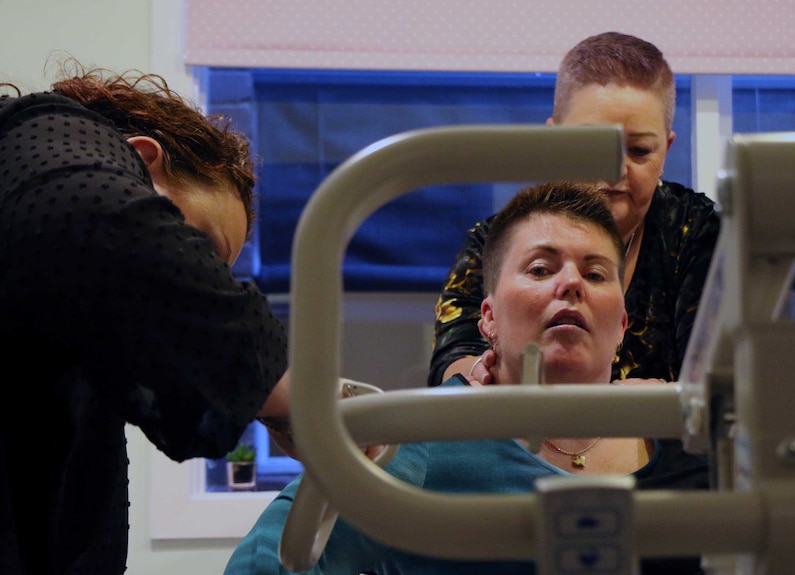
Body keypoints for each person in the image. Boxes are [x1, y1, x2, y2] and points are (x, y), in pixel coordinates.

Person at [223, 181, 709, 575]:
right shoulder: (425, 437)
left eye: (596, 274)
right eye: (541, 268)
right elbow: (263, 563)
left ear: (622, 324)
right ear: (488, 320)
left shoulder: (683, 438)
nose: (571, 283)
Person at [0, 60, 293, 574]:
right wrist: (301, 396)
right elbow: (84, 214)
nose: (199, 281)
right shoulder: (37, 134)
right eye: (199, 247)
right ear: (140, 157)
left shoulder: (77, 341)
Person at [430, 31, 721, 388]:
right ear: (555, 140)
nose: (615, 170)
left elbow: (722, 381)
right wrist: (479, 374)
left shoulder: (700, 233)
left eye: (640, 150)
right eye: (591, 147)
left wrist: (658, 406)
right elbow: (453, 361)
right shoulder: (498, 239)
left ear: (667, 149)